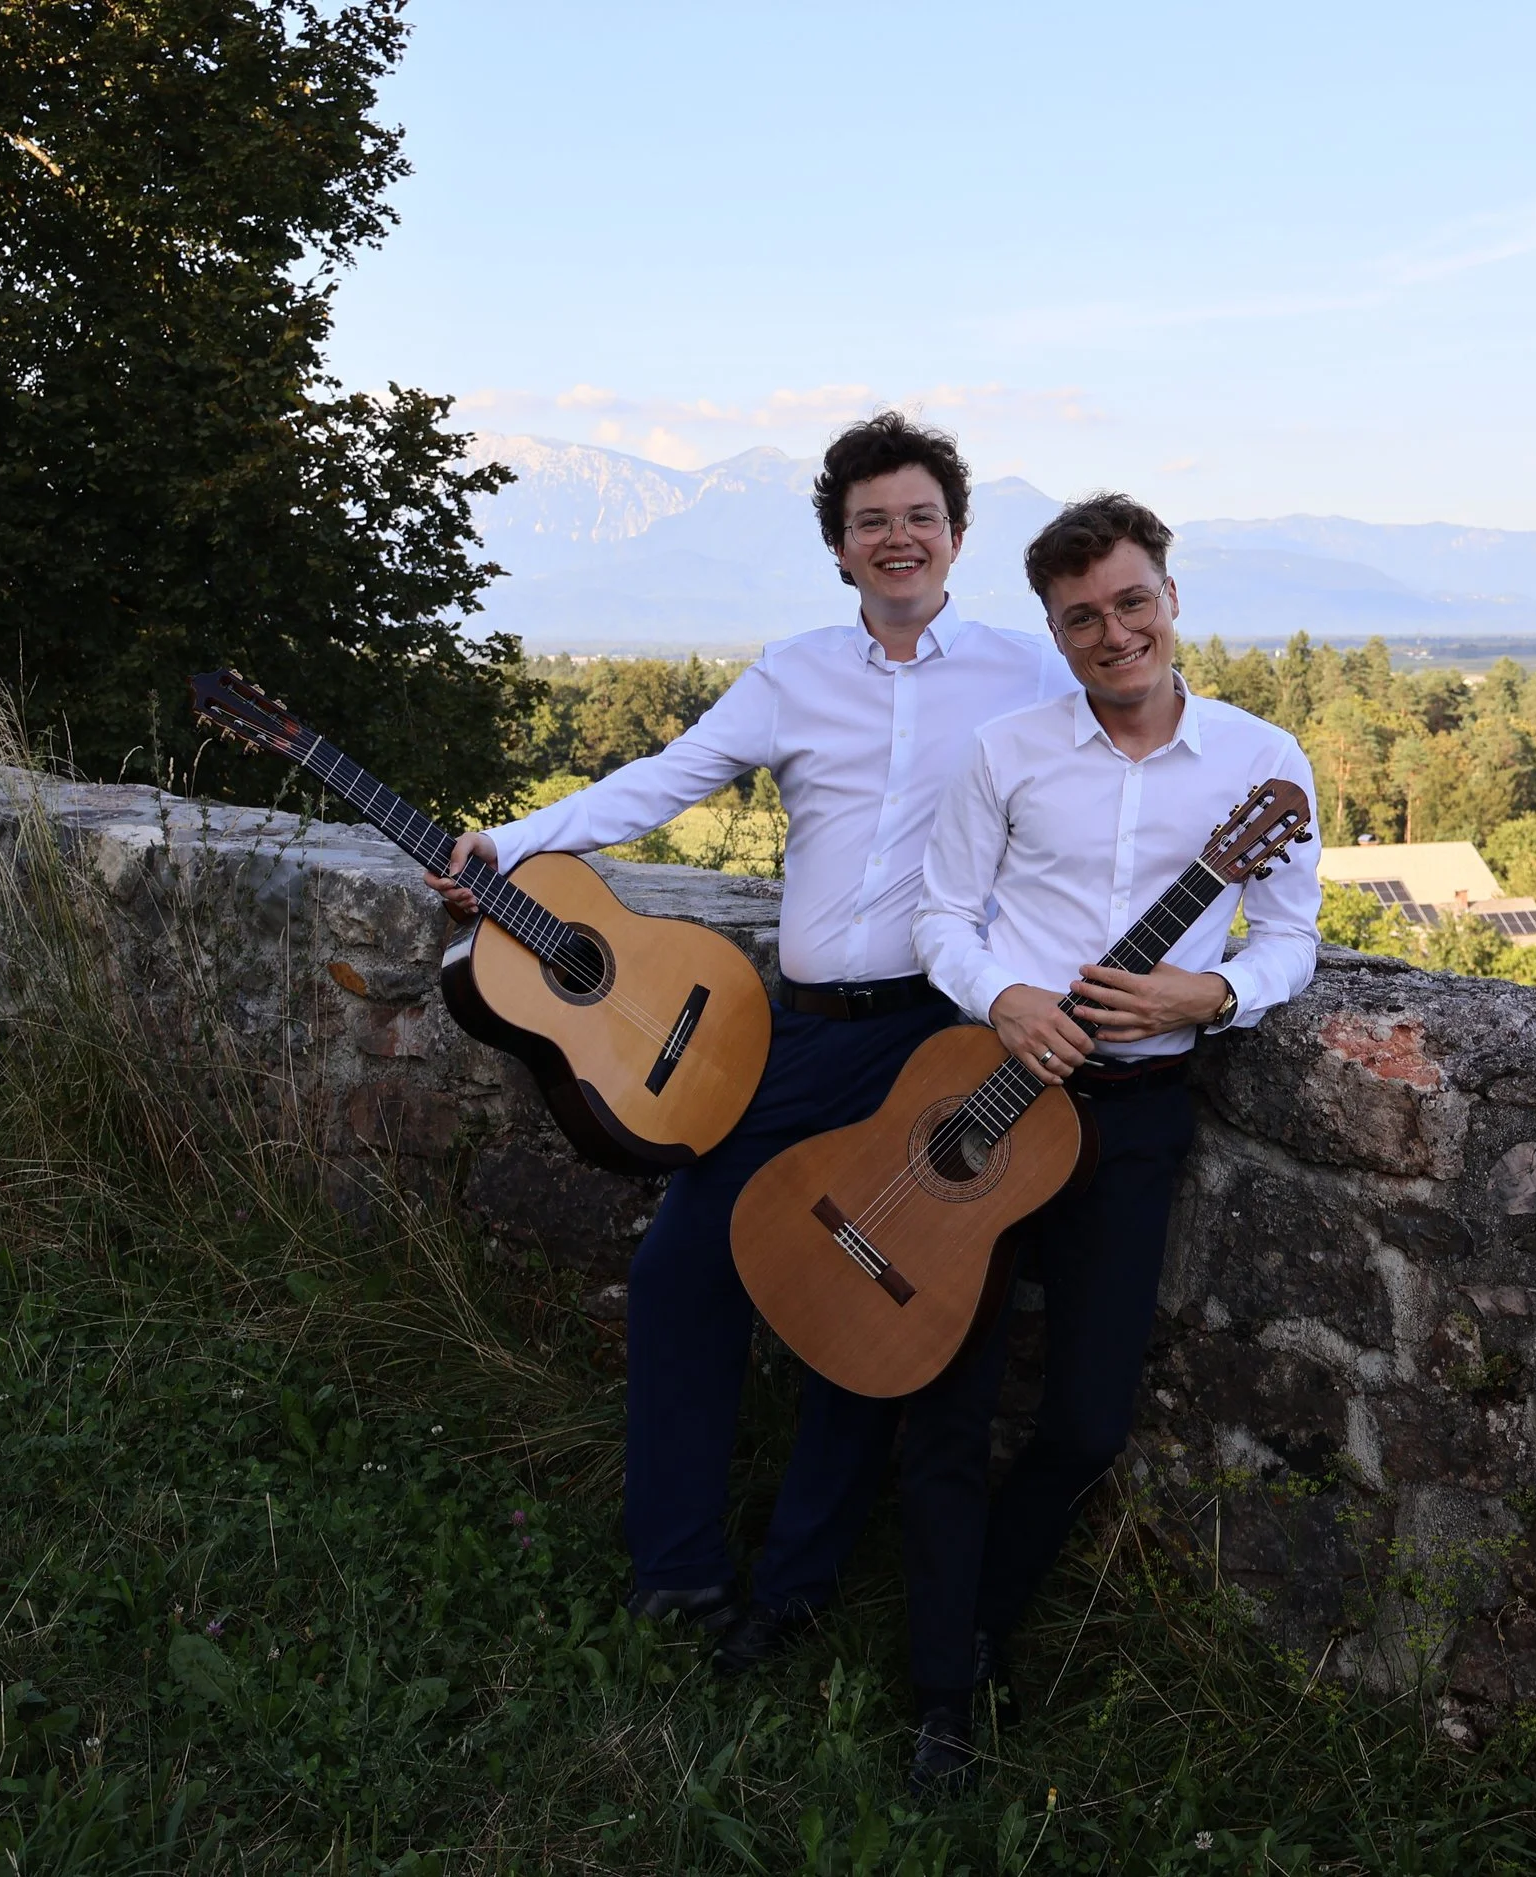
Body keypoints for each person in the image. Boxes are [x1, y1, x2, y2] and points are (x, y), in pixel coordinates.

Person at [425, 414, 1075, 1639]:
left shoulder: (1028, 672)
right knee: (683, 1273)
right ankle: (675, 1569)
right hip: (803, 1035)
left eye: (920, 517)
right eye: (871, 520)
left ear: (957, 536)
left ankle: (796, 1586)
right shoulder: (793, 672)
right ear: (839, 546)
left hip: (943, 1036)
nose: (898, 539)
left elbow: (1133, 767)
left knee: (859, 1296)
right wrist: (509, 840)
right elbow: (661, 779)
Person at [887, 490, 1321, 1787]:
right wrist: (1003, 998)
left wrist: (1215, 993)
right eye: (1084, 617)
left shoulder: (1262, 762)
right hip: (988, 1095)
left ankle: (973, 1624)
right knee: (947, 1405)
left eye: (1133, 602)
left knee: (1083, 1420)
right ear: (1057, 633)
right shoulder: (1008, 751)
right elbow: (940, 917)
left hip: (1131, 1118)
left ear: (1172, 599)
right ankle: (940, 1695)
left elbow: (1290, 935)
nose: (1115, 632)